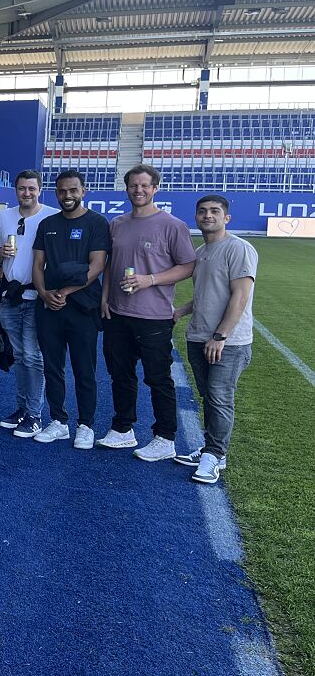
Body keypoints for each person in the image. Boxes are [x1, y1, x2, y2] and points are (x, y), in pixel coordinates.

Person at [99, 164, 197, 460]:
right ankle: (123, 429)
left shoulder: (172, 225)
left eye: (144, 186)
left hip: (153, 316)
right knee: (120, 374)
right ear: (126, 188)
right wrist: (105, 298)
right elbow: (109, 266)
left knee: (158, 378)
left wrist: (149, 280)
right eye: (133, 186)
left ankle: (165, 437)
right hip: (117, 313)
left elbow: (188, 266)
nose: (138, 190)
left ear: (155, 189)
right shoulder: (117, 224)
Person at [173, 195, 257, 483]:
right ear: (196, 217)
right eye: (202, 211)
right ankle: (211, 448)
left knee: (220, 397)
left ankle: (214, 456)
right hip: (198, 336)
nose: (208, 215)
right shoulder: (202, 251)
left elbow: (240, 296)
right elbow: (204, 296)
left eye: (214, 211)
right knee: (208, 396)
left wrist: (220, 335)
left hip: (228, 342)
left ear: (227, 218)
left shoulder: (238, 248)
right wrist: (180, 312)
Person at [30, 170, 111, 449]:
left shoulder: (97, 223)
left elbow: (97, 266)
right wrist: (44, 293)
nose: (68, 196)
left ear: (83, 191)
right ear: (56, 193)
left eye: (73, 190)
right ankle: (58, 421)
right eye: (62, 191)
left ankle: (86, 425)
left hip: (82, 307)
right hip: (50, 307)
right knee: (53, 367)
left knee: (84, 369)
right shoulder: (47, 224)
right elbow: (38, 264)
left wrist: (64, 292)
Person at [0, 170, 59, 438]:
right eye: (21, 189)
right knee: (19, 357)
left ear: (40, 190)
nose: (26, 193)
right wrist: (0, 253)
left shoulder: (51, 216)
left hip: (37, 297)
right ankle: (22, 409)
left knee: (32, 356)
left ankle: (35, 414)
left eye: (31, 188)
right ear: (15, 190)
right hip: (10, 297)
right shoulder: (5, 216)